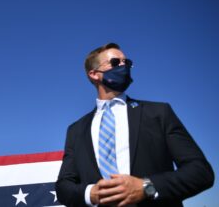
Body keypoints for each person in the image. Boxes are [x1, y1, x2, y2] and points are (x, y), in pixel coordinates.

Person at [55, 43, 214, 207]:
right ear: (94, 74)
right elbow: (63, 186)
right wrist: (91, 194)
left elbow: (200, 172)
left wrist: (147, 187)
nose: (124, 66)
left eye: (127, 62)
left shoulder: (159, 113)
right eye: (116, 62)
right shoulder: (76, 130)